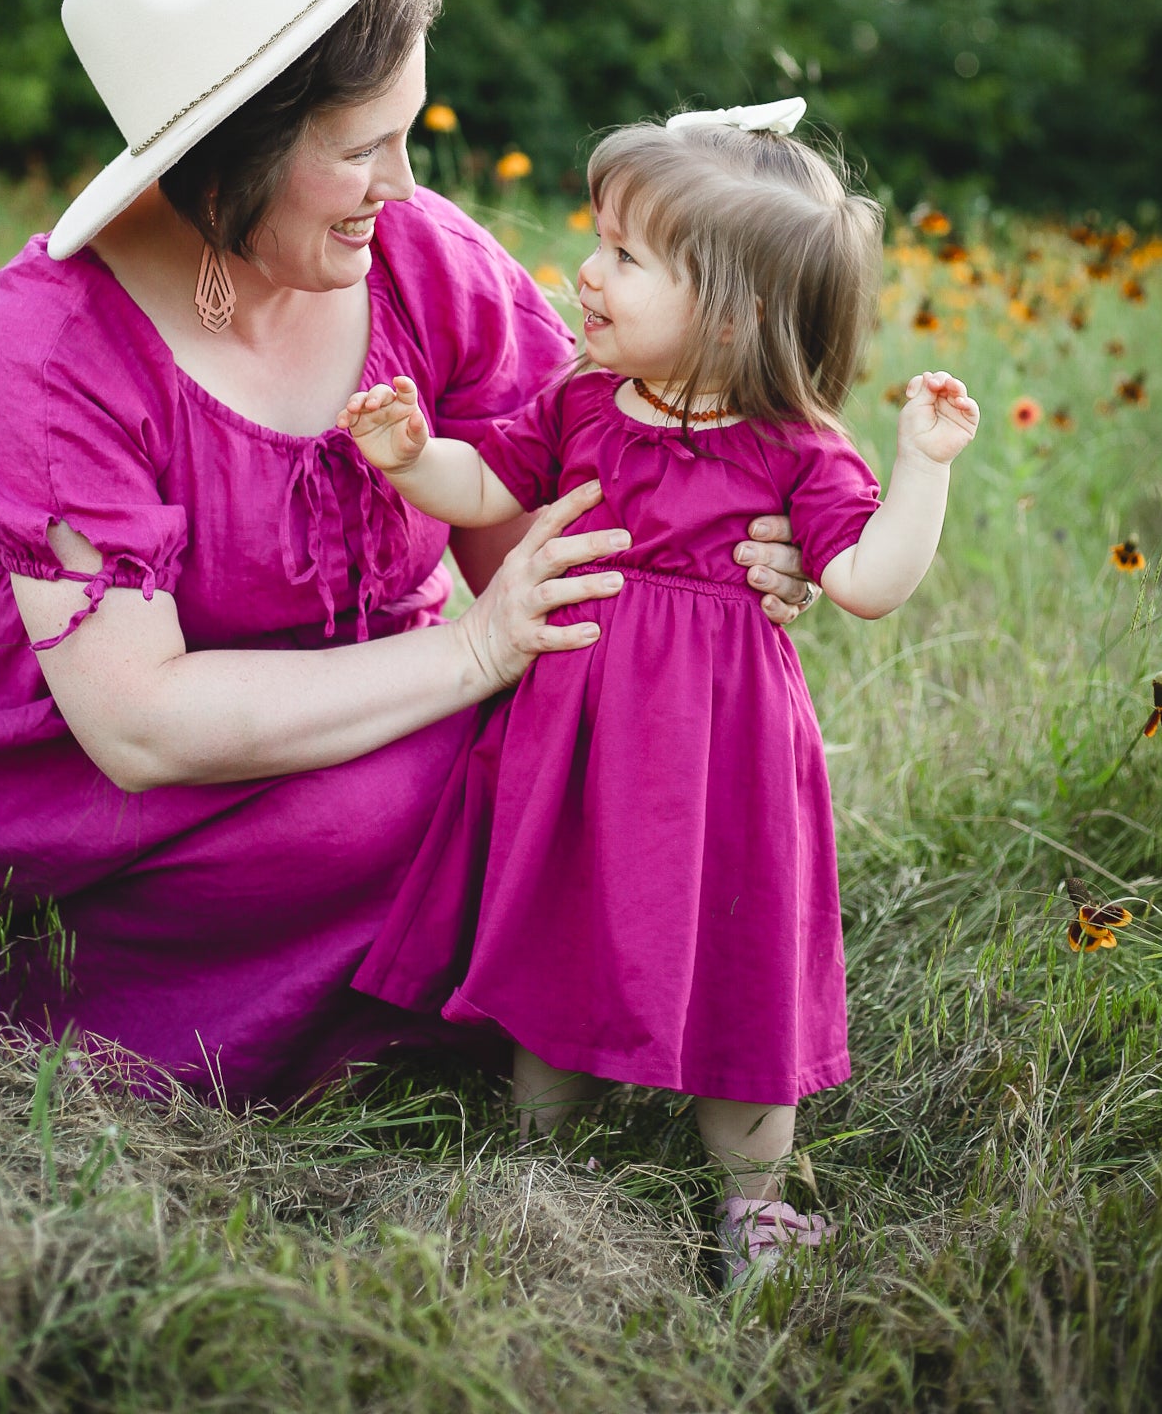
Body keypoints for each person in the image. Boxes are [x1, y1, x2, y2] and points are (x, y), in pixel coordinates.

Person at [0, 0, 818, 1105]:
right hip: (70, 762)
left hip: (359, 670)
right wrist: (470, 659)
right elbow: (138, 724)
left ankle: (547, 990)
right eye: (362, 148)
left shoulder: (424, 261)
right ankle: (129, 989)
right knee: (404, 808)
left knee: (589, 750)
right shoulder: (53, 347)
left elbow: (568, 541)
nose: (402, 183)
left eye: (408, 130)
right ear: (226, 157)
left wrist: (728, 554)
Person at [341, 103, 980, 1282]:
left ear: (731, 311)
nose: (584, 271)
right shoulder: (584, 402)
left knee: (739, 941)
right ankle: (540, 1166)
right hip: (578, 735)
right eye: (598, 237)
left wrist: (919, 472)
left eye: (624, 255)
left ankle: (752, 1197)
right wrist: (407, 456)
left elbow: (868, 581)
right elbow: (485, 483)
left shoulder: (793, 446)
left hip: (721, 752)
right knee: (559, 920)